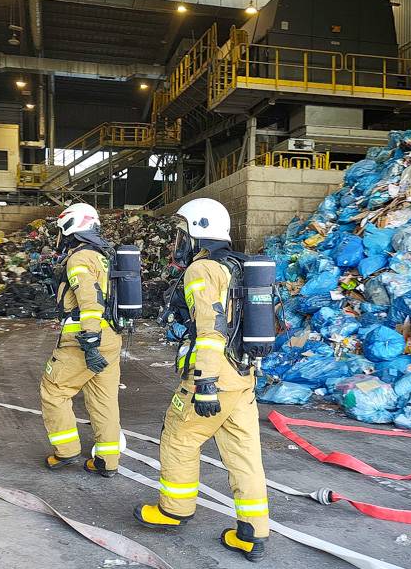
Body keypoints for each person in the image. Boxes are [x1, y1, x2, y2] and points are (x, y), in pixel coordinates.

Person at [133, 198, 269, 562]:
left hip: (215, 374)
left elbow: (210, 329)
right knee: (245, 455)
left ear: (198, 231)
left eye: (182, 232)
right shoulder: (238, 266)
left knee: (179, 436)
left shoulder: (204, 270)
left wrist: (205, 382)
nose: (179, 240)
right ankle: (252, 532)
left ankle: (173, 509)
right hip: (243, 376)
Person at [40, 202, 123, 478]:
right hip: (110, 336)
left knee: (54, 390)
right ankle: (108, 461)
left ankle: (66, 450)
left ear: (71, 226)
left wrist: (89, 340)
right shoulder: (103, 255)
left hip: (85, 336)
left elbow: (89, 299)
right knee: (104, 400)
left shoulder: (79, 258)